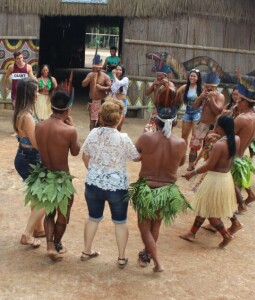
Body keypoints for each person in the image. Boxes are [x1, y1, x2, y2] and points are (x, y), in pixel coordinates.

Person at [129, 109, 191, 273]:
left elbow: (134, 155)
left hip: (147, 188)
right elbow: (180, 162)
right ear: (176, 123)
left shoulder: (146, 138)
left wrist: (145, 141)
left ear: (156, 122)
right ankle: (146, 255)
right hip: (167, 190)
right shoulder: (181, 143)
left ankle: (157, 262)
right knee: (155, 226)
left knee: (144, 228)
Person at [81, 101, 140, 268]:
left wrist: (95, 171)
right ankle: (121, 257)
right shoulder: (123, 138)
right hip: (117, 186)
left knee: (93, 218)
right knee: (120, 222)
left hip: (93, 183)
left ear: (100, 116)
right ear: (119, 118)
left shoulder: (93, 133)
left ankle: (86, 251)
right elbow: (136, 157)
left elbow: (85, 156)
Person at [26, 90, 80, 261]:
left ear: (51, 106)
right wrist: (73, 127)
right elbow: (76, 152)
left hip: (45, 174)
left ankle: (50, 245)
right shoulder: (69, 130)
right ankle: (56, 244)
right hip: (62, 177)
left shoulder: (39, 125)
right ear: (68, 109)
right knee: (63, 213)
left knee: (49, 211)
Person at [179, 115, 241, 247]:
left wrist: (192, 173)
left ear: (220, 127)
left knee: (210, 211)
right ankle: (192, 233)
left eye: (217, 126)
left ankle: (226, 235)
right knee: (205, 205)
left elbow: (209, 166)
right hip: (226, 177)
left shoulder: (218, 145)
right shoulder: (236, 139)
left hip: (214, 179)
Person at [13, 78, 45, 247]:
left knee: (35, 194)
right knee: (45, 199)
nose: (39, 93)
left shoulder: (21, 111)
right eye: (36, 91)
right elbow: (36, 143)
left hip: (23, 156)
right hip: (30, 159)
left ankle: (38, 229)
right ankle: (27, 234)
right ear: (32, 94)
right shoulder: (27, 116)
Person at [232, 80, 255, 211]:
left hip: (234, 154)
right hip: (243, 152)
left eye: (239, 100)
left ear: (246, 102)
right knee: (237, 179)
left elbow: (228, 137)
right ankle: (249, 195)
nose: (237, 102)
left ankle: (241, 204)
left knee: (230, 181)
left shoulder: (241, 119)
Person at [191, 72, 225, 167]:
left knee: (208, 147)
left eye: (210, 88)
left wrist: (212, 99)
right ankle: (191, 165)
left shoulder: (220, 96)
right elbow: (194, 106)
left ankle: (205, 168)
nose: (208, 90)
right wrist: (201, 97)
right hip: (202, 123)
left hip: (213, 126)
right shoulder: (203, 94)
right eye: (206, 87)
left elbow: (218, 111)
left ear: (215, 88)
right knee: (193, 146)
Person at [175, 69, 202, 171]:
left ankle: (191, 164)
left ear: (198, 78)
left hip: (197, 113)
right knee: (184, 137)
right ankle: (182, 157)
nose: (192, 78)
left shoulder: (200, 89)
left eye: (194, 76)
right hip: (187, 112)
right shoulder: (185, 87)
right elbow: (177, 95)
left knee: (195, 138)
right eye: (191, 76)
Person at [82, 54, 111, 130]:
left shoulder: (105, 76)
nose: (95, 69)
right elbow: (83, 84)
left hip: (101, 101)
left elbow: (110, 88)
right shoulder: (90, 75)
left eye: (97, 67)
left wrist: (102, 87)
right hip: (93, 101)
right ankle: (92, 136)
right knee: (92, 121)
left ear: (100, 68)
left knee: (102, 121)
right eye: (94, 67)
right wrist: (90, 78)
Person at [144, 63, 176, 132]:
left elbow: (173, 95)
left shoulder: (170, 84)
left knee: (165, 128)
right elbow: (146, 93)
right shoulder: (155, 83)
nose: (158, 77)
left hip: (166, 110)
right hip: (156, 108)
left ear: (165, 76)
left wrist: (164, 85)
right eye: (157, 75)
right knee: (153, 127)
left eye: (160, 76)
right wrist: (153, 86)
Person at [110, 64, 129, 131]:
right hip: (115, 102)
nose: (118, 71)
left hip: (122, 102)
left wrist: (114, 75)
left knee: (120, 123)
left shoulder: (125, 79)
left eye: (120, 70)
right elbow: (113, 90)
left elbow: (119, 83)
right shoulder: (113, 79)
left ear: (123, 71)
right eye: (117, 69)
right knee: (114, 122)